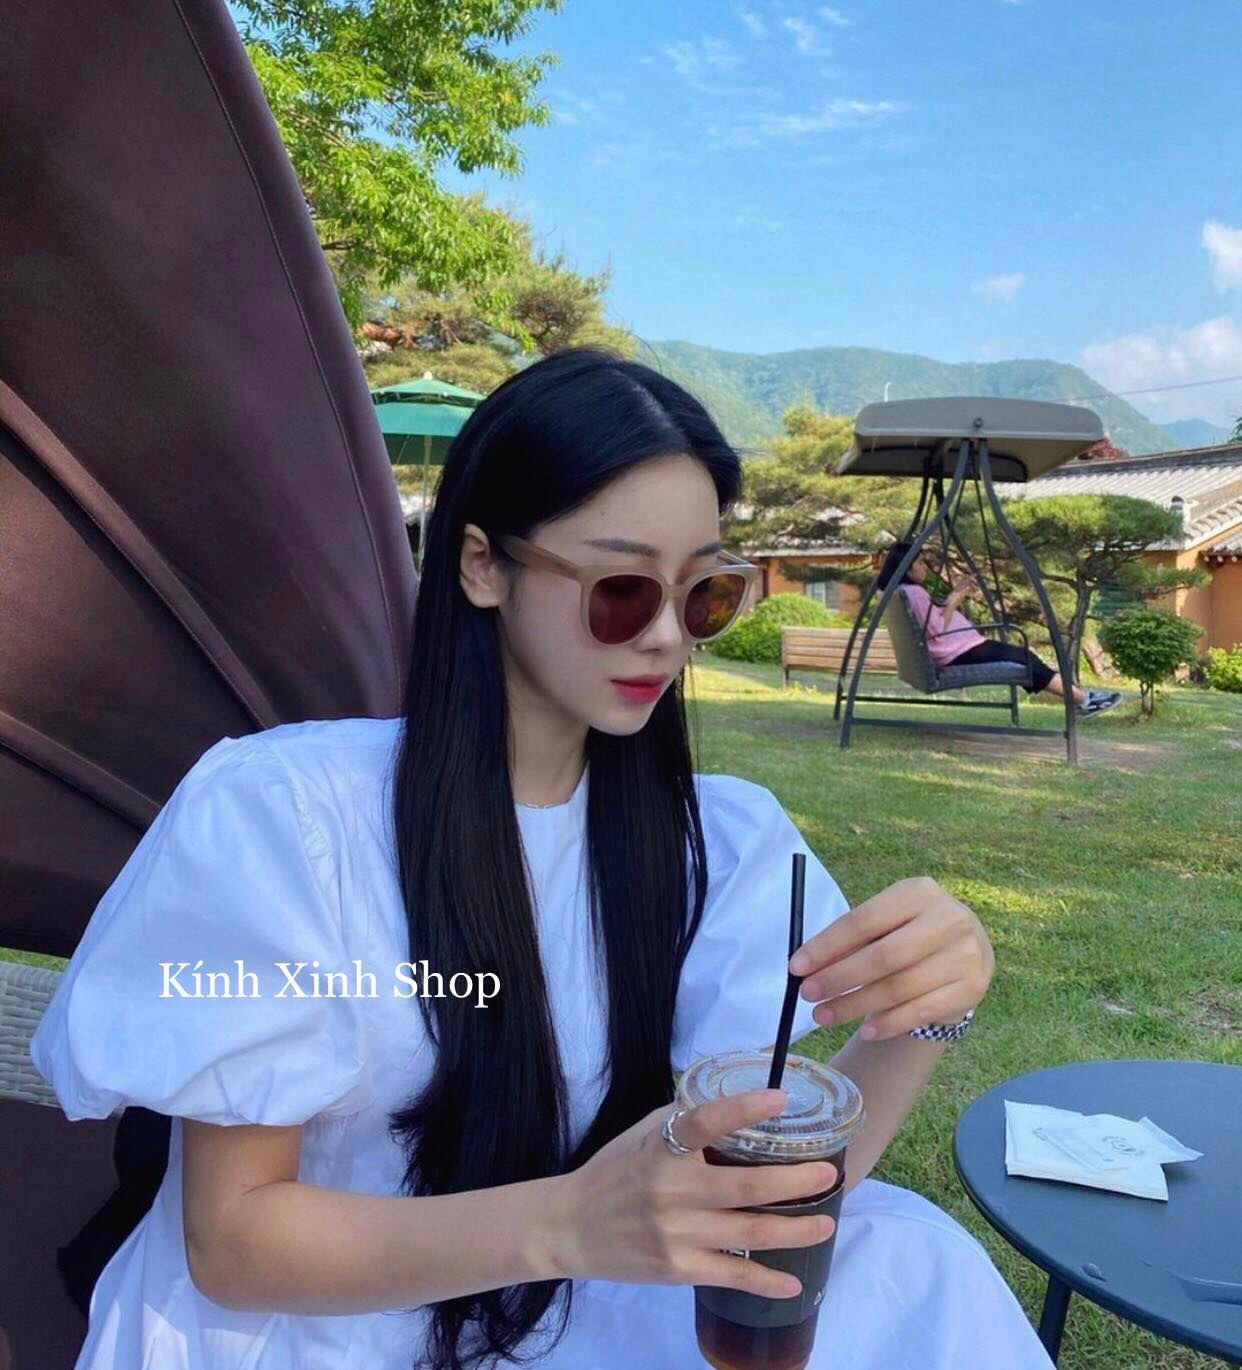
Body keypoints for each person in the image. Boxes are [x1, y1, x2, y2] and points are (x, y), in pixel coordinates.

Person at [31, 348, 1054, 1369]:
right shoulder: (290, 819)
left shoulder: (714, 839)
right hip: (316, 1321)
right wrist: (568, 1220)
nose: (667, 638)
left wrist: (928, 1010)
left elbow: (778, 1190)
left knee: (920, 1264)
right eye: (622, 589)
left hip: (566, 1298)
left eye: (704, 594)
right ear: (483, 565)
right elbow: (232, 1241)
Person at [877, 541, 1123, 716]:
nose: (924, 567)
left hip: (959, 647)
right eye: (920, 562)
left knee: (1024, 659)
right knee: (1025, 659)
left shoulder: (903, 591)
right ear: (906, 567)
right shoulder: (915, 593)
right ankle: (1084, 700)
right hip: (956, 651)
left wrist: (955, 594)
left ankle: (1081, 698)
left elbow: (931, 622)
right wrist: (955, 601)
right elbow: (938, 629)